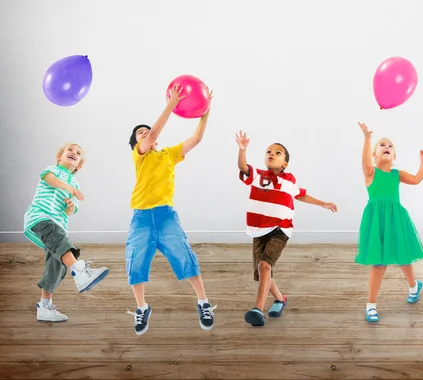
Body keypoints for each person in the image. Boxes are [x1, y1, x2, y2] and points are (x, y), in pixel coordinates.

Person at [125, 84, 216, 335]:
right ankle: (142, 308)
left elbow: (196, 139)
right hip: (141, 216)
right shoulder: (139, 154)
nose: (145, 134)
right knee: (135, 262)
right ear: (136, 142)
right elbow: (154, 133)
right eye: (140, 133)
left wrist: (206, 108)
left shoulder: (168, 155)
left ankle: (203, 303)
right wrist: (172, 103)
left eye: (146, 131)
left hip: (166, 215)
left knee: (185, 256)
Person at [235, 130, 338, 327]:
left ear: (285, 164)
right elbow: (242, 167)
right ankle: (281, 299)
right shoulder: (257, 175)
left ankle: (257, 309)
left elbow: (301, 195)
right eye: (268, 151)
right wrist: (242, 149)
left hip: (280, 230)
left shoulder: (289, 180)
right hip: (258, 231)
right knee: (262, 272)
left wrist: (323, 203)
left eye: (278, 152)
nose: (271, 153)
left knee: (265, 266)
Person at [24, 142, 110, 322]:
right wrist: (69, 188)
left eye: (77, 153)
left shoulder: (74, 184)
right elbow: (49, 180)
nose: (73, 152)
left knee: (55, 265)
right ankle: (79, 271)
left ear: (79, 165)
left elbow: (70, 212)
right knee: (61, 244)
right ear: (59, 157)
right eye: (69, 150)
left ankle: (44, 307)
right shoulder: (53, 171)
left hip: (58, 225)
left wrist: (70, 206)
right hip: (40, 217)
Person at [356, 122, 423, 323]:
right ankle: (371, 305)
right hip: (377, 221)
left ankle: (414, 286)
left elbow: (416, 179)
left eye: (390, 146)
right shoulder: (370, 172)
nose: (386, 147)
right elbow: (364, 162)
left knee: (404, 259)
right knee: (379, 265)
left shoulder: (397, 174)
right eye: (382, 145)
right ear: (375, 155)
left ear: (394, 156)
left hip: (396, 220)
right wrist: (368, 137)